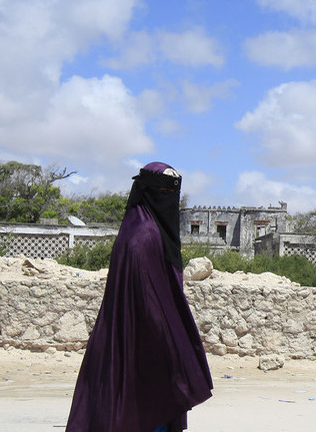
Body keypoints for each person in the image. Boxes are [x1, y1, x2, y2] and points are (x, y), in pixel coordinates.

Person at [66, 162, 213, 432]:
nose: (169, 201)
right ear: (149, 192)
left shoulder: (145, 230)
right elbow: (148, 302)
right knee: (143, 412)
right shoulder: (143, 237)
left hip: (145, 343)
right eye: (164, 192)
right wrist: (170, 345)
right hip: (143, 344)